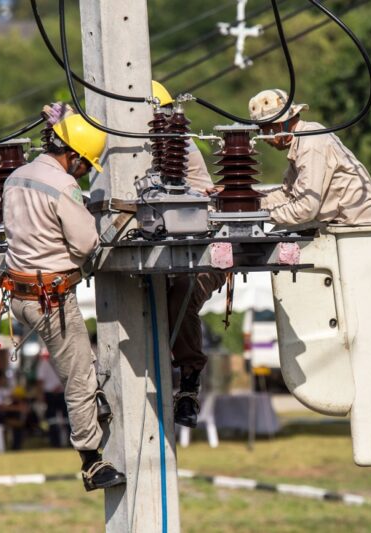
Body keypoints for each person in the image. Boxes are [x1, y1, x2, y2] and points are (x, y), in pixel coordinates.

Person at [3, 104, 126, 491]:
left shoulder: (17, 176)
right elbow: (87, 241)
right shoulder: (63, 186)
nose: (86, 171)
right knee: (78, 377)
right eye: (86, 164)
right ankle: (92, 462)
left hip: (20, 296)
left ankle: (96, 403)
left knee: (77, 361)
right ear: (71, 156)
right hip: (50, 298)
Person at [151, 81, 226, 428]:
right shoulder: (129, 151)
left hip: (204, 252)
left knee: (182, 287)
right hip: (157, 254)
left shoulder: (177, 149)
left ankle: (189, 381)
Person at [248, 88, 371, 227]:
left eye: (262, 129)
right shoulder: (301, 142)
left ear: (279, 124)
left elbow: (306, 209)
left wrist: (257, 213)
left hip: (359, 229)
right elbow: (287, 195)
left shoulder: (310, 143)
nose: (262, 137)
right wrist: (248, 200)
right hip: (341, 224)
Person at [36, 349, 70, 447]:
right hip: (59, 393)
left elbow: (39, 381)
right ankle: (64, 441)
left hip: (53, 393)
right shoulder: (64, 363)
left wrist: (40, 395)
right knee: (60, 418)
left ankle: (56, 442)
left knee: (58, 418)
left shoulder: (44, 363)